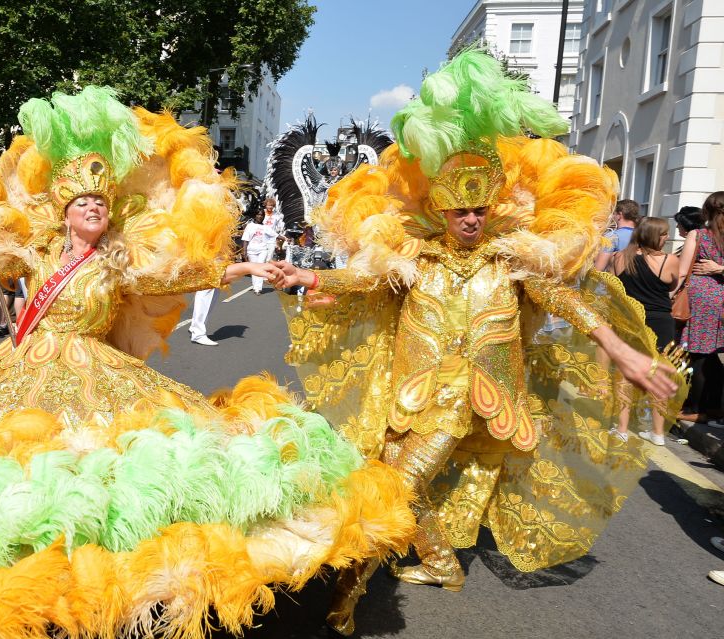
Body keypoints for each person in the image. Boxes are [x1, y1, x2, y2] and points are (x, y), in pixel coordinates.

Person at [0, 89, 416, 635]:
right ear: (66, 211)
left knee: (106, 469)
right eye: (82, 205)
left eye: (100, 205)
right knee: (0, 471)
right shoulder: (41, 246)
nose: (92, 212)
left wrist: (252, 265)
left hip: (101, 372)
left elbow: (181, 274)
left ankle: (92, 577)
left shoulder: (118, 257)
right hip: (21, 368)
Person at [273, 50, 684, 636]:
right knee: (392, 470)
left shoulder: (511, 261)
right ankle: (442, 562)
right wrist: (311, 277)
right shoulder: (416, 257)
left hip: (471, 395)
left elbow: (563, 300)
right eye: (459, 209)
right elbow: (363, 280)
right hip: (413, 390)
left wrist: (619, 350)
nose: (469, 218)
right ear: (440, 208)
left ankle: (345, 600)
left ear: (490, 209)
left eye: (478, 208)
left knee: (396, 482)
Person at [612, 217, 679, 445]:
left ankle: (621, 428)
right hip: (660, 321)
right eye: (663, 234)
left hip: (630, 320)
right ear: (652, 235)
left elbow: (617, 288)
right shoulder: (669, 260)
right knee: (659, 373)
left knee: (624, 373)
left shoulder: (620, 257)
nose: (666, 237)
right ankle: (658, 433)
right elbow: (672, 285)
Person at [677, 191, 724, 423]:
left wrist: (670, 294)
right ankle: (715, 406)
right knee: (714, 354)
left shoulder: (697, 234)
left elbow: (683, 270)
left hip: (703, 299)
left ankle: (696, 409)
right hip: (721, 297)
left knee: (699, 355)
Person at [240, 207, 279, 294]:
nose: (260, 216)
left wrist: (285, 238)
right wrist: (244, 252)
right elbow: (245, 239)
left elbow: (275, 234)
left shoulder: (265, 227)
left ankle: (258, 288)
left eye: (262, 215)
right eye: (258, 214)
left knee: (261, 267)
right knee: (254, 269)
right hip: (251, 251)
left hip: (262, 250)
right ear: (255, 216)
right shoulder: (250, 226)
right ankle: (255, 287)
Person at [595, 199, 641, 272]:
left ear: (620, 215)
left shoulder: (612, 237)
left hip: (617, 281)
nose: (613, 217)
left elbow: (598, 268)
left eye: (614, 214)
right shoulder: (643, 234)